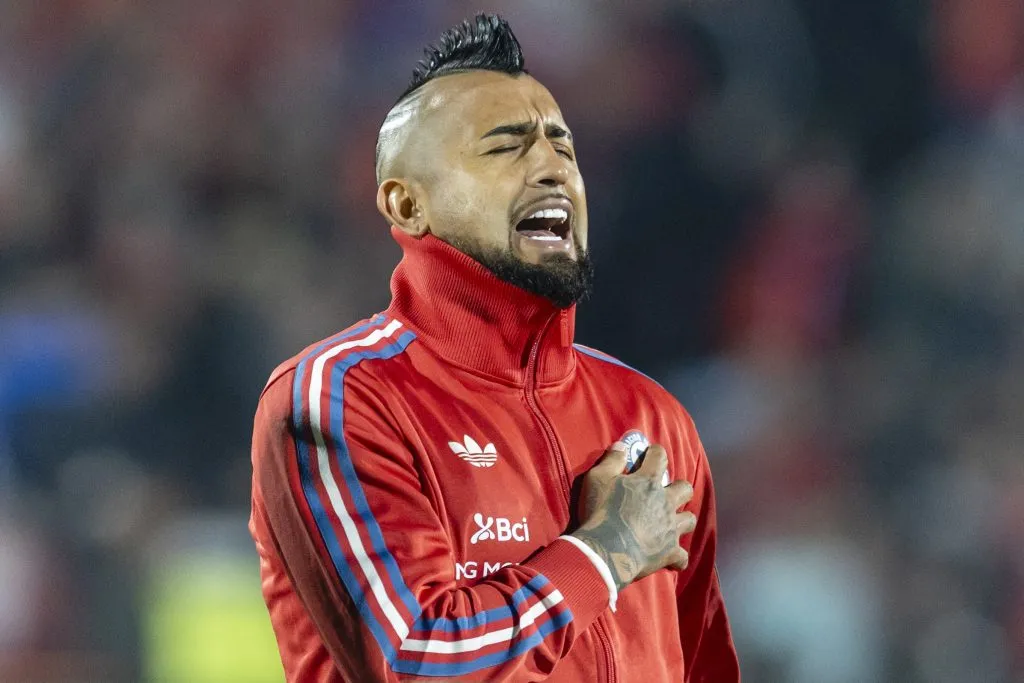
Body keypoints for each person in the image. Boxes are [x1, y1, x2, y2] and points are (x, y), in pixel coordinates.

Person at [249, 14, 739, 682]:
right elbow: (417, 661)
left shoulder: (651, 416)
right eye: (506, 147)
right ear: (407, 204)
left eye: (564, 146)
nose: (552, 168)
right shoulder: (337, 400)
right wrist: (602, 553)